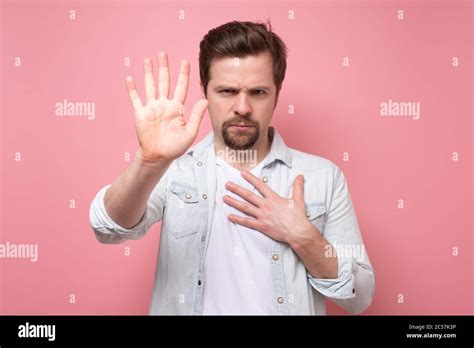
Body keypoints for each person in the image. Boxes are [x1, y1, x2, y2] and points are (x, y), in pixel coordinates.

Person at [89, 20, 375, 315]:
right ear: (205, 91)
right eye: (227, 91)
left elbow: (360, 296)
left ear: (277, 92)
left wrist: (303, 237)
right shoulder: (174, 171)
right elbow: (107, 228)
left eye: (258, 92)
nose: (243, 107)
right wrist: (148, 162)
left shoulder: (324, 178)